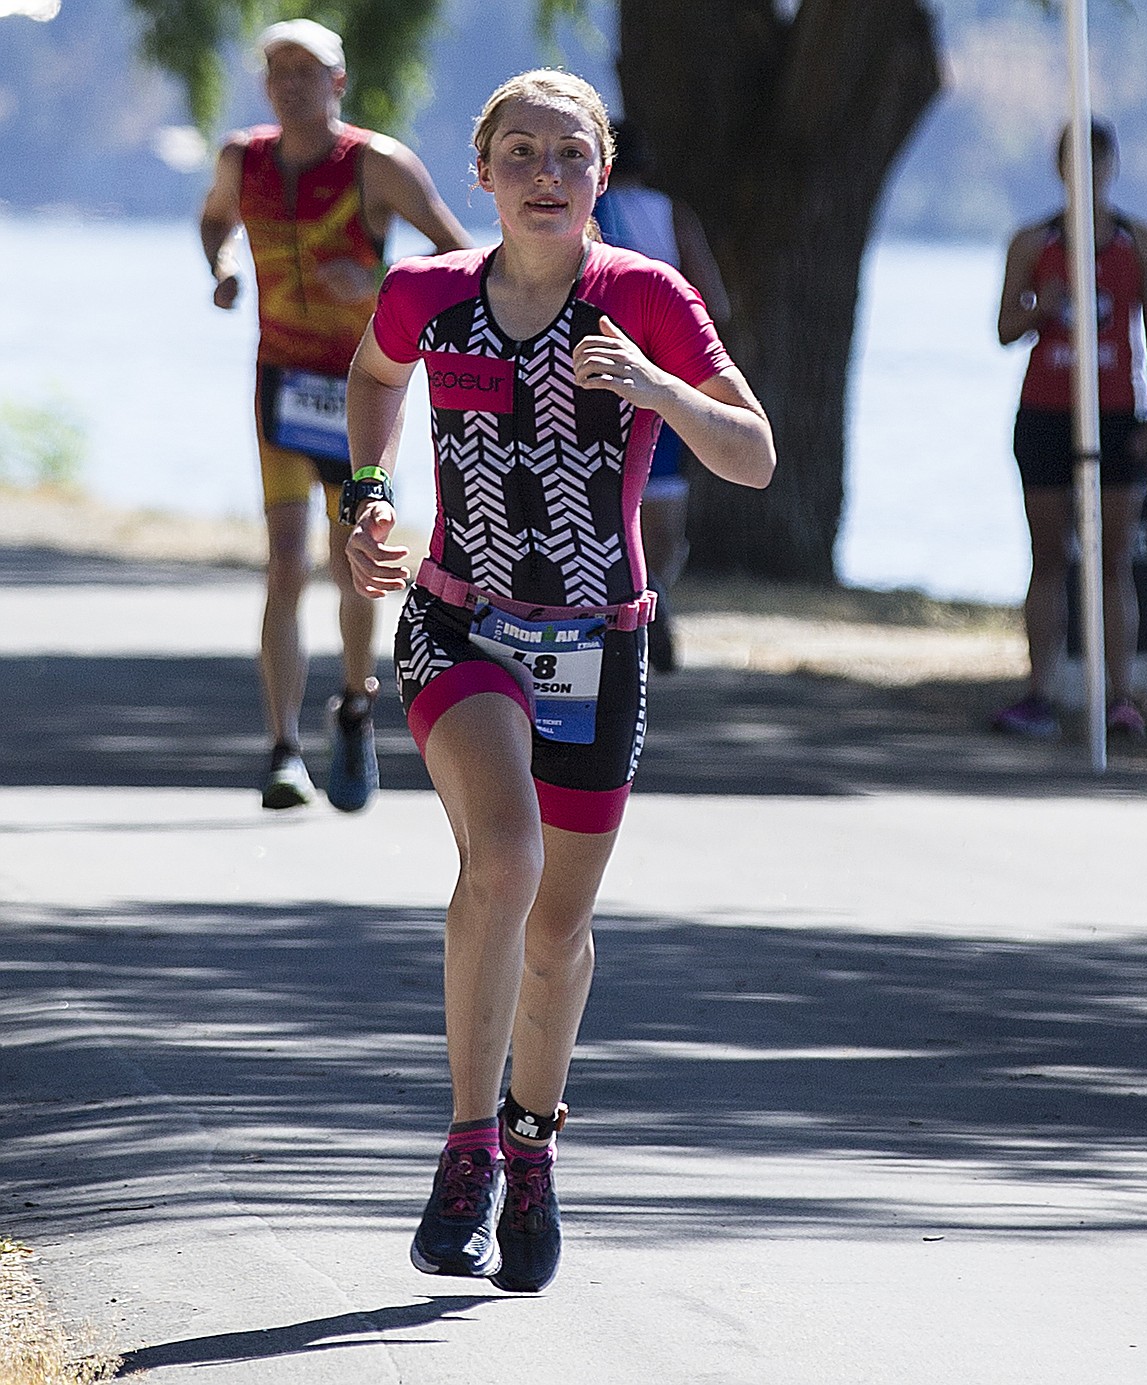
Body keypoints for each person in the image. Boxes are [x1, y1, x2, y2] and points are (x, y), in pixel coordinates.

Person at [342, 69, 775, 1292]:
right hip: (460, 622)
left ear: (602, 175)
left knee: (559, 928)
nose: (545, 174)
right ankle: (468, 1147)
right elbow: (374, 377)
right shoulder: (428, 292)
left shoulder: (646, 296)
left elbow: (751, 455)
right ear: (480, 174)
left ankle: (533, 1142)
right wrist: (368, 500)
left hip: (601, 637)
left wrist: (657, 387)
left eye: (570, 156)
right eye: (520, 154)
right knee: (506, 860)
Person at [199, 18, 472, 810]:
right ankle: (283, 749)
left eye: (307, 71)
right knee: (285, 562)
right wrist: (219, 267)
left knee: (357, 553)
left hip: (361, 388)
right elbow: (216, 219)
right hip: (280, 382)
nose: (291, 83)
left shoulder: (378, 165)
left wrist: (380, 274)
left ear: (338, 83)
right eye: (278, 70)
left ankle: (355, 702)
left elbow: (459, 257)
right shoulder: (240, 159)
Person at [995, 118, 1147, 741]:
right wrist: (1044, 305)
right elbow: (1005, 327)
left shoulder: (1139, 242)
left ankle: (1121, 696)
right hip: (1045, 412)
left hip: (1119, 413)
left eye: (1097, 163)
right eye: (1076, 162)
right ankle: (1040, 691)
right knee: (1049, 556)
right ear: (1061, 167)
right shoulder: (1033, 240)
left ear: (1111, 167)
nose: (1087, 175)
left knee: (1114, 558)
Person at [592, 121, 731, 672]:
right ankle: (659, 595)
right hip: (664, 383)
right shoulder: (674, 215)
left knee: (602, 502)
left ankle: (619, 610)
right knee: (665, 512)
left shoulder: (580, 214)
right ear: (647, 167)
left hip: (596, 380)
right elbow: (715, 301)